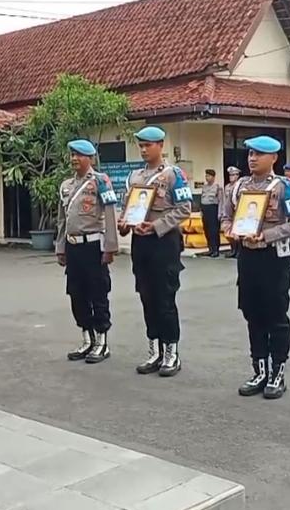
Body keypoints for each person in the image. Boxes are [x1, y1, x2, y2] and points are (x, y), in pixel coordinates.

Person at [221, 136, 290, 399]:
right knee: (252, 313)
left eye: (259, 154)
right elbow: (225, 216)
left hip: (274, 257)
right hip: (247, 256)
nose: (252, 158)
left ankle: (277, 372)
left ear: (274, 158)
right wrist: (230, 230)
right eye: (250, 154)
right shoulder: (237, 187)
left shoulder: (283, 187)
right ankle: (259, 370)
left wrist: (267, 235)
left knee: (276, 315)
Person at [120, 126, 193, 376]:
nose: (143, 150)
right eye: (140, 145)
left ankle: (171, 352)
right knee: (146, 297)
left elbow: (184, 208)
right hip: (140, 243)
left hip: (164, 241)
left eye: (148, 145)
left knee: (164, 298)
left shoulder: (173, 175)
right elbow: (127, 207)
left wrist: (157, 225)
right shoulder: (135, 177)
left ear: (161, 145)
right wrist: (124, 223)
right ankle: (154, 350)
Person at [56, 139, 120, 363]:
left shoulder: (101, 181)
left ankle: (101, 341)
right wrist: (60, 247)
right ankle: (87, 338)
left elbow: (110, 215)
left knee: (98, 293)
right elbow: (62, 219)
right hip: (73, 246)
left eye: (79, 155)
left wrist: (110, 247)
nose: (74, 159)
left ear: (90, 158)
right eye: (72, 155)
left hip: (93, 246)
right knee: (76, 294)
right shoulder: (66, 186)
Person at [198, 169, 223, 258]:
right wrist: (201, 211)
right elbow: (202, 199)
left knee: (214, 231)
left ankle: (216, 250)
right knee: (207, 230)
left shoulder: (218, 187)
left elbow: (220, 201)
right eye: (206, 176)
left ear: (213, 177)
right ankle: (210, 248)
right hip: (205, 210)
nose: (207, 178)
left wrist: (220, 213)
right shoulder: (204, 187)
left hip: (213, 210)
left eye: (209, 176)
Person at [222, 166, 243, 259]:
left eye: (233, 175)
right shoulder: (227, 187)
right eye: (230, 175)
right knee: (229, 232)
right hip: (229, 213)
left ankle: (238, 251)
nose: (231, 177)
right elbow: (224, 201)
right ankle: (233, 250)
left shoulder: (239, 186)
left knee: (237, 232)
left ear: (237, 176)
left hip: (237, 212)